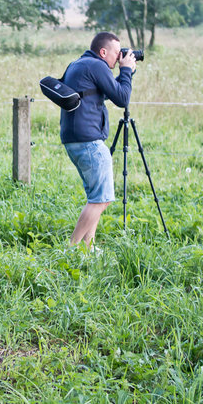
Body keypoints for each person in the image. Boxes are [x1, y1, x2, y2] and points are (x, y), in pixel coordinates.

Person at [60, 31, 136, 249]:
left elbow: (111, 91)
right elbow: (122, 98)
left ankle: (88, 249)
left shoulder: (79, 64)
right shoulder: (97, 66)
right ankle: (72, 249)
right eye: (116, 52)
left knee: (96, 198)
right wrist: (127, 70)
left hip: (75, 138)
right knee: (102, 199)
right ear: (103, 52)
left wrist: (124, 73)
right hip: (89, 140)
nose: (119, 56)